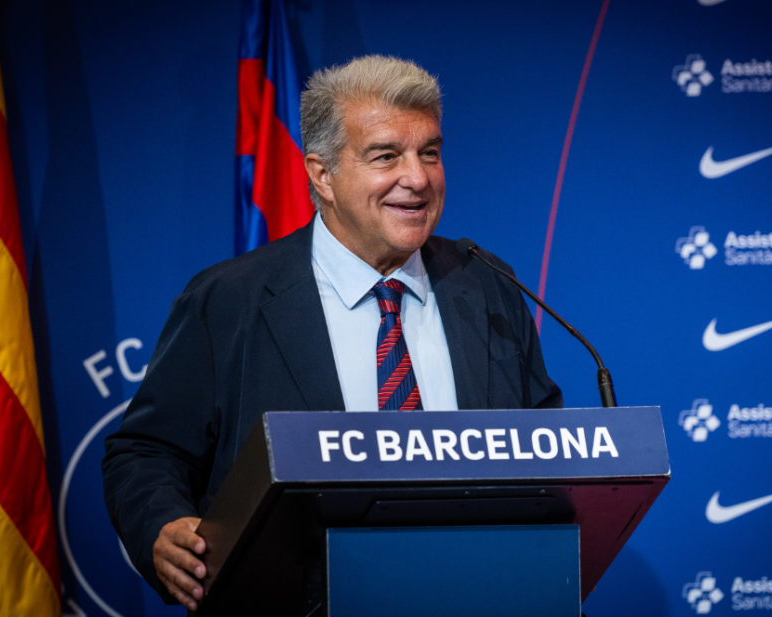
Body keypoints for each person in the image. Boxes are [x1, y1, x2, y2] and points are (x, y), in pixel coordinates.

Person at [102, 55, 561, 610]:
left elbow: (543, 444)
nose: (417, 178)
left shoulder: (486, 284)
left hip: (481, 595)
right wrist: (164, 523)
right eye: (386, 156)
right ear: (322, 174)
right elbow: (147, 450)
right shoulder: (230, 300)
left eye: (430, 153)